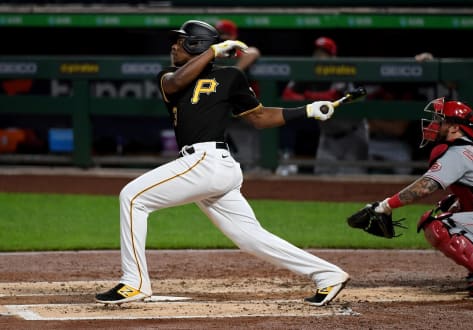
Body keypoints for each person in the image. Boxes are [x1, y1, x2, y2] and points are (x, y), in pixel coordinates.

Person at [95, 20, 349, 307]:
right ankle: (328, 275)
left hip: (211, 162)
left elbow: (260, 117)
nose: (173, 46)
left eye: (181, 41)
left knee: (132, 197)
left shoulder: (230, 77)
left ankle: (135, 282)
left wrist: (308, 110)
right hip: (204, 165)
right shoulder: (168, 76)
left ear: (196, 45)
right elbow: (177, 82)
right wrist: (214, 52)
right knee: (250, 238)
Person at [370, 97, 473, 297]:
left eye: (441, 120)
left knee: (440, 226)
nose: (434, 125)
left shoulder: (459, 152)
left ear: (455, 128)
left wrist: (385, 206)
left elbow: (425, 187)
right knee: (453, 208)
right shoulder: (470, 151)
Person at [281, 37, 369, 175]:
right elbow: (288, 95)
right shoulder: (306, 73)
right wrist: (312, 97)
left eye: (324, 54)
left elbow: (332, 97)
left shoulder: (341, 72)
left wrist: (307, 97)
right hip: (327, 136)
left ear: (333, 57)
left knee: (354, 178)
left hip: (352, 134)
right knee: (323, 178)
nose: (319, 57)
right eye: (317, 53)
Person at [215, 19, 262, 171]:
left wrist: (234, 72)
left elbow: (254, 51)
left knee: (250, 161)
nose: (223, 38)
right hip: (222, 115)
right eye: (220, 35)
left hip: (247, 114)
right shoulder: (211, 54)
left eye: (226, 35)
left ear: (234, 36)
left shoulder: (240, 53)